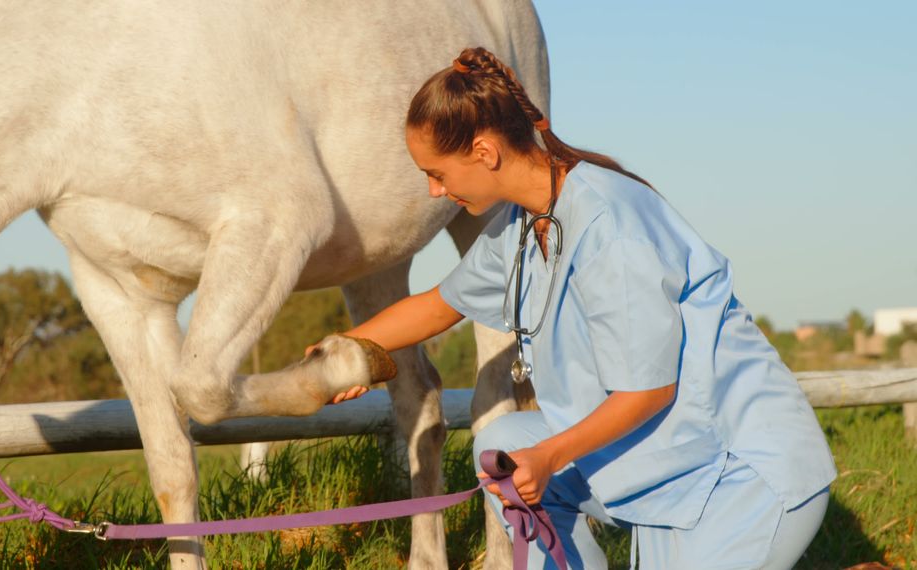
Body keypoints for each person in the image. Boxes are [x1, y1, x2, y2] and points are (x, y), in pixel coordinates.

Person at [322, 47, 836, 569]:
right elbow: (438, 305)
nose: (436, 191)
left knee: (533, 450)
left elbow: (647, 391)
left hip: (739, 475)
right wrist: (344, 352)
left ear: (484, 151)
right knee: (502, 441)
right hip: (668, 463)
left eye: (437, 172)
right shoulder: (522, 224)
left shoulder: (611, 229)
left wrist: (549, 457)